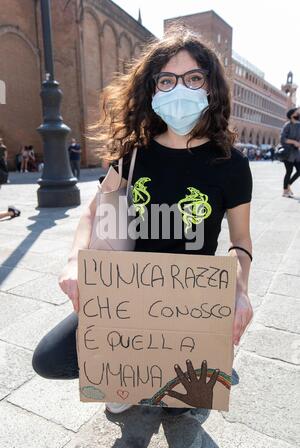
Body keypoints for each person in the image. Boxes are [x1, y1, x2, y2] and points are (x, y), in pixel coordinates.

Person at [32, 28, 253, 417]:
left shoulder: (231, 164)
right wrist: (73, 261)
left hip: (190, 303)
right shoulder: (135, 156)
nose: (179, 88)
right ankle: (130, 374)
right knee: (48, 360)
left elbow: (240, 240)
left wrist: (240, 292)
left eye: (193, 78)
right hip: (122, 297)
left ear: (210, 86)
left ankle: (180, 371)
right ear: (153, 90)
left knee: (177, 407)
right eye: (167, 79)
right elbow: (93, 211)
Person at [280, 108, 300, 197]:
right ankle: (285, 191)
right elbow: (283, 139)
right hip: (288, 152)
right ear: (292, 115)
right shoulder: (287, 125)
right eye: (297, 113)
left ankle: (288, 185)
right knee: (289, 171)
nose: (298, 114)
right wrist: (294, 142)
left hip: (296, 153)